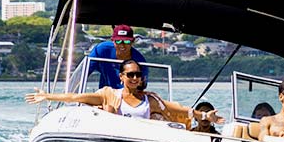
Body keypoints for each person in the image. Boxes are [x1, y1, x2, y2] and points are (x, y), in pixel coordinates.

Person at [26, 59, 223, 127]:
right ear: (121, 77)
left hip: (142, 140)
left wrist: (205, 115)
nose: (135, 78)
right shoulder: (109, 94)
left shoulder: (150, 99)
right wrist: (48, 96)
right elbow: (76, 97)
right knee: (109, 109)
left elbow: (181, 110)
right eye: (131, 75)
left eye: (138, 74)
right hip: (115, 138)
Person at [87, 24, 147, 89]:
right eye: (118, 41)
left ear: (132, 42)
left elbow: (141, 86)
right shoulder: (101, 50)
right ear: (112, 41)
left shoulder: (140, 61)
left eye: (126, 41)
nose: (122, 45)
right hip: (105, 94)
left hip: (128, 96)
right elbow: (83, 73)